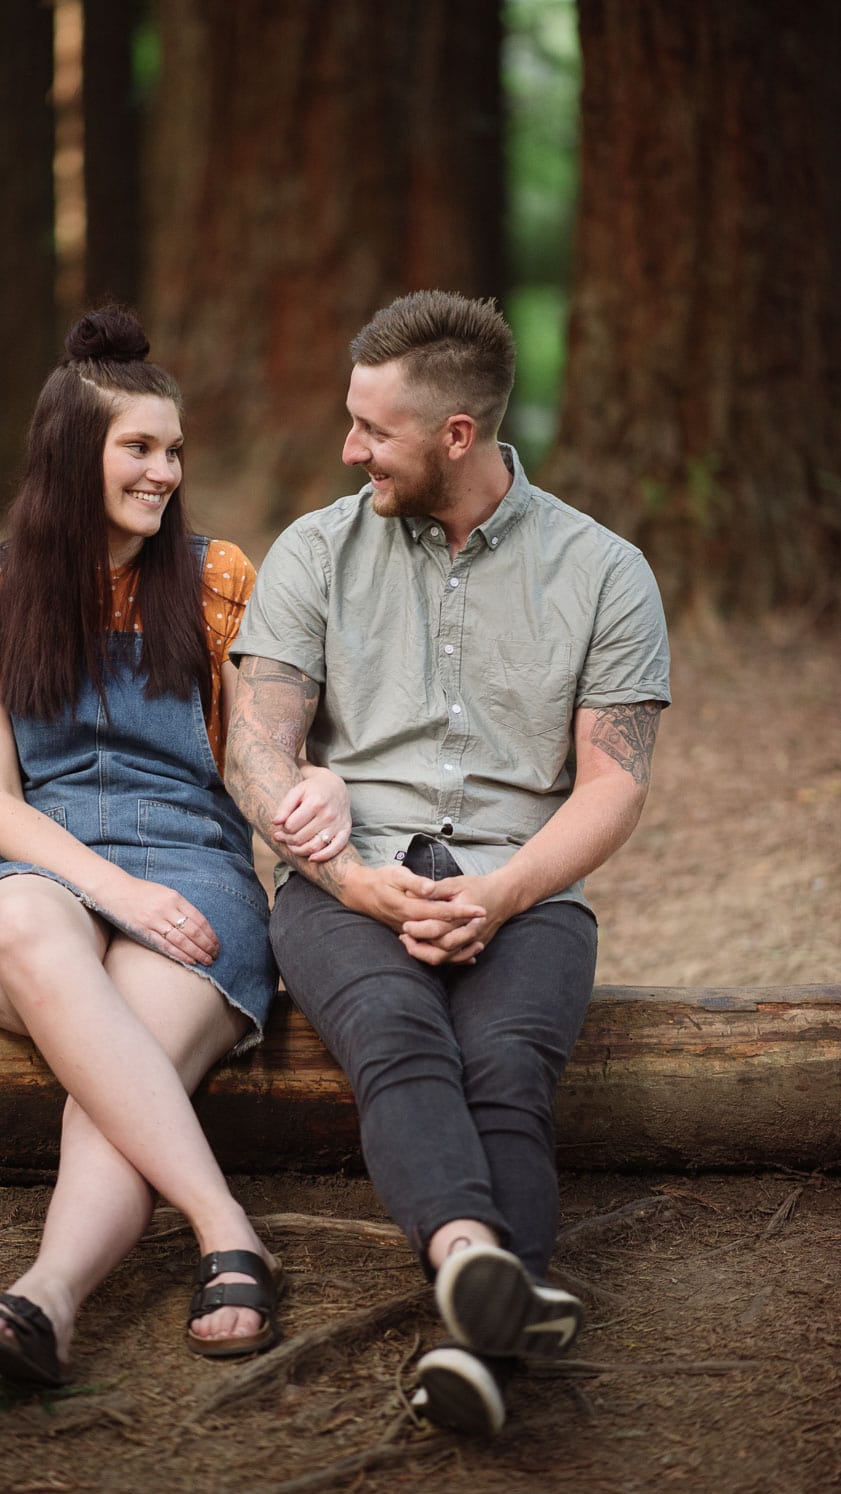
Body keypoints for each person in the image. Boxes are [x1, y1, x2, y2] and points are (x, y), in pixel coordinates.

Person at [224, 290, 670, 1436]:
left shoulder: (602, 570)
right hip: (345, 885)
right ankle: (471, 1257)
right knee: (395, 1034)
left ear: (455, 436)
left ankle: (474, 1336)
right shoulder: (317, 550)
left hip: (525, 891)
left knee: (508, 1065)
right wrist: (349, 879)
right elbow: (257, 749)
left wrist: (500, 893)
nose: (347, 448)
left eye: (372, 429)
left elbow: (610, 781)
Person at [0, 306, 349, 1384]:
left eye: (173, 451)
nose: (164, 472)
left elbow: (263, 759)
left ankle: (43, 1303)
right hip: (45, 870)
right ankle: (227, 1231)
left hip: (196, 867)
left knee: (119, 1073)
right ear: (74, 455)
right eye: (138, 449)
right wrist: (113, 890)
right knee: (21, 914)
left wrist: (320, 786)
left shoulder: (216, 581)